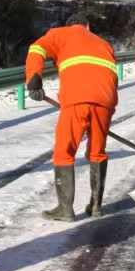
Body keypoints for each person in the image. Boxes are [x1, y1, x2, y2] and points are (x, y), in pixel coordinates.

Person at [25, 22, 119, 221]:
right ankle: (95, 206)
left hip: (77, 96)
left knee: (64, 151)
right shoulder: (104, 43)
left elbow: (36, 48)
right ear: (88, 27)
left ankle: (65, 209)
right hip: (106, 99)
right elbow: (112, 77)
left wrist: (34, 78)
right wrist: (107, 110)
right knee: (97, 152)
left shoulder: (60, 33)